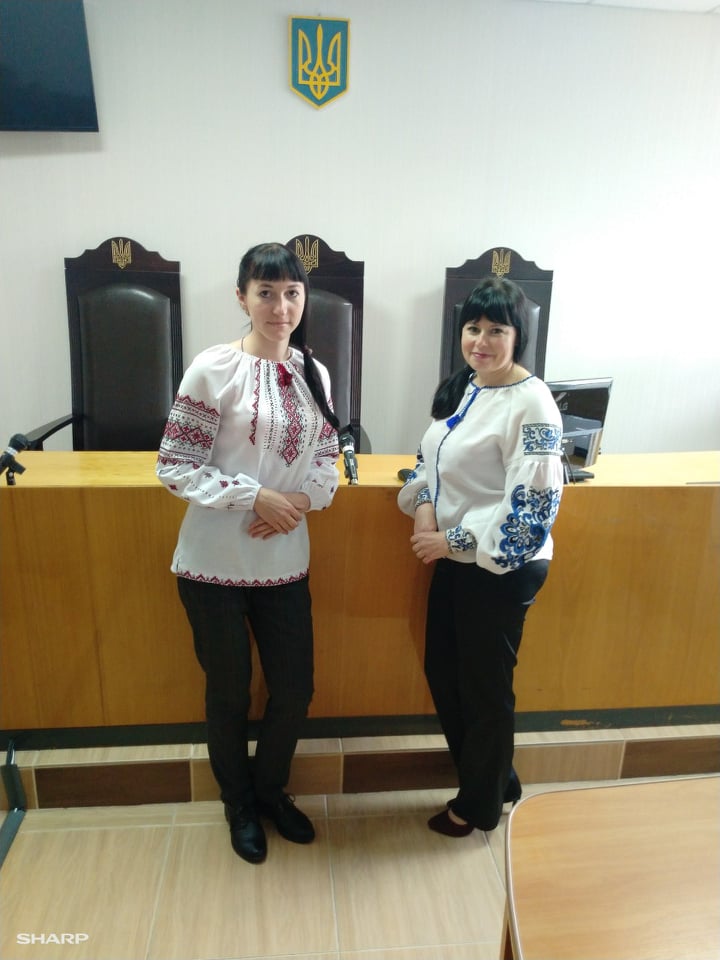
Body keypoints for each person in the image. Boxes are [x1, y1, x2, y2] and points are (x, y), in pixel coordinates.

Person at [157, 242, 340, 864]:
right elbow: (175, 465)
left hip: (284, 559)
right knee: (230, 693)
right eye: (266, 293)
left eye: (291, 293)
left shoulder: (315, 373)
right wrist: (255, 495)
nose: (280, 307)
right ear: (242, 298)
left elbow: (327, 457)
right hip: (211, 563)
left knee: (294, 688)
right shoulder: (212, 369)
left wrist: (300, 501)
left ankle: (270, 791)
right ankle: (238, 804)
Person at [398, 276, 563, 836]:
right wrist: (423, 505)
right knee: (446, 674)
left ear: (519, 336)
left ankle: (477, 807)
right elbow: (429, 461)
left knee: (484, 690)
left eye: (497, 330)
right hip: (454, 562)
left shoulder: (532, 403)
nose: (482, 341)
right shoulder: (468, 387)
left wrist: (454, 541)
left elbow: (534, 504)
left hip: (502, 568)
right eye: (473, 328)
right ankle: (498, 782)